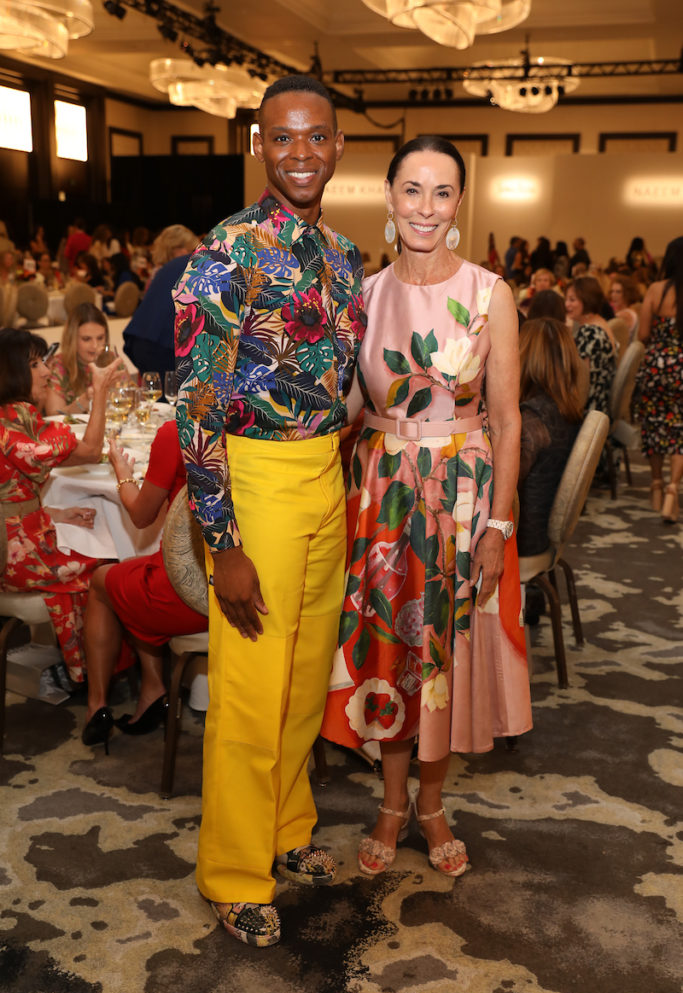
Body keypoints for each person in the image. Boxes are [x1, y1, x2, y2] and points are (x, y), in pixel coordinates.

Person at [173, 74, 365, 947]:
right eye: (282, 137)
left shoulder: (343, 254)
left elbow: (346, 383)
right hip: (253, 488)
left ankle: (286, 834)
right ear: (259, 144)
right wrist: (226, 544)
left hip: (325, 482)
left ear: (336, 145)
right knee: (250, 693)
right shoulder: (228, 251)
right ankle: (232, 871)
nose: (300, 152)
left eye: (315, 137)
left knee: (299, 683)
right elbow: (196, 408)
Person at [320, 136, 532, 881]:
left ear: (458, 204)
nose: (425, 208)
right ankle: (387, 802)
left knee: (443, 655)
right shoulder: (365, 295)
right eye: (411, 190)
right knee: (390, 649)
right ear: (386, 196)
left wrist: (497, 526)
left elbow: (505, 421)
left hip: (462, 498)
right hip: (382, 494)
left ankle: (433, 804)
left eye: (441, 193)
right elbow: (346, 405)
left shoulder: (489, 294)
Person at [0, 328, 122, 686]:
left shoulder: (12, 416)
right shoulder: (12, 425)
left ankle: (87, 670)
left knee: (91, 540)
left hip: (17, 535)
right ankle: (102, 675)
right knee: (111, 565)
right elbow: (90, 450)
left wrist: (54, 513)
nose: (46, 371)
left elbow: (9, 495)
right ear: (12, 370)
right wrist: (100, 391)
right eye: (35, 364)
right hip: (9, 555)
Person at [81, 422, 208, 752]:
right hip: (244, 589)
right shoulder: (256, 425)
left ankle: (96, 707)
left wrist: (122, 474)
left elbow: (140, 516)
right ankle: (153, 689)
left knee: (102, 581)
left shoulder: (177, 431)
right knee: (134, 572)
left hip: (188, 594)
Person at [517, 318, 585, 557]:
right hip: (541, 533)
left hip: (521, 540)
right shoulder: (567, 411)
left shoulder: (530, 420)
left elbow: (504, 488)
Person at [636, 236, 683, 522]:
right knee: (680, 432)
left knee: (654, 426)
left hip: (656, 367)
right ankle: (672, 489)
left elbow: (642, 334)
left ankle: (655, 484)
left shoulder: (656, 290)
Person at [123, 250, 191, 376]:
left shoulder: (179, 263)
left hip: (140, 339)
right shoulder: (218, 267)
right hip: (166, 348)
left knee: (154, 392)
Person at [45, 302, 108, 415]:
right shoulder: (57, 366)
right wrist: (84, 400)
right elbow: (54, 417)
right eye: (86, 339)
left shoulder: (111, 360)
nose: (95, 345)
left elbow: (134, 401)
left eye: (100, 338)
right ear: (72, 339)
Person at [565, 276, 616, 415]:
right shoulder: (599, 322)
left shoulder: (589, 333)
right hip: (600, 408)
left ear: (587, 300)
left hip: (589, 412)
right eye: (566, 299)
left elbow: (581, 385)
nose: (566, 305)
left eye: (572, 300)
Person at [608, 273, 639, 342]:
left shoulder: (624, 315)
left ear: (627, 294)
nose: (613, 295)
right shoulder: (627, 311)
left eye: (618, 292)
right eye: (612, 291)